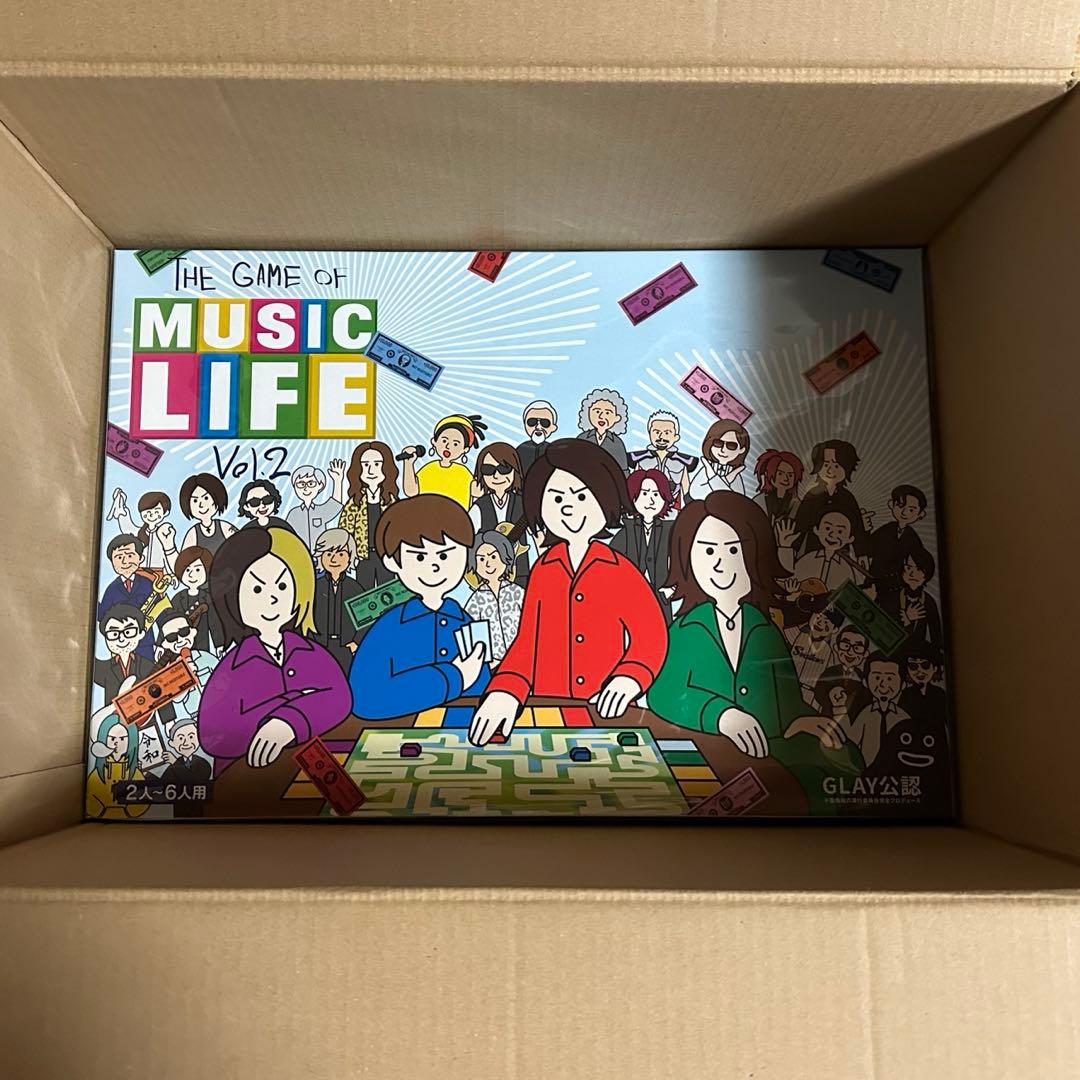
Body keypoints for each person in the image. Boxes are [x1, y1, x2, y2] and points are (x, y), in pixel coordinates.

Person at [647, 491, 863, 814]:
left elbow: (786, 697)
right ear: (686, 559)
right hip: (705, 751)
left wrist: (800, 720)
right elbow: (663, 692)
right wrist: (721, 715)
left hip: (768, 749)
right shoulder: (685, 630)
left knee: (844, 761)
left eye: (734, 549)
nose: (721, 563)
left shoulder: (765, 629)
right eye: (708, 550)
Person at [469, 439, 667, 746]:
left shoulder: (620, 570)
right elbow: (527, 644)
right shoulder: (543, 570)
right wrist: (505, 690)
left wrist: (630, 677)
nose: (568, 507)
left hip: (604, 709)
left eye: (581, 496)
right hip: (547, 707)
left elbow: (651, 636)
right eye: (557, 498)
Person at [199, 527, 352, 773]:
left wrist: (290, 721)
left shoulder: (310, 652)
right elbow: (213, 734)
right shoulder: (233, 666)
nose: (272, 598)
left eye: (282, 586)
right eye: (257, 589)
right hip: (246, 778)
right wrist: (290, 702)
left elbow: (341, 698)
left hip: (307, 769)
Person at [349, 495, 490, 725]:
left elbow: (482, 689)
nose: (434, 566)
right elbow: (364, 696)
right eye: (420, 556)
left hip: (461, 735)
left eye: (444, 555)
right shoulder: (390, 626)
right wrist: (454, 678)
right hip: (399, 736)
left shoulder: (466, 622)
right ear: (392, 562)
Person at [610, 468, 677, 623]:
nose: (651, 501)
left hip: (661, 599)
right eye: (645, 494)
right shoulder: (627, 531)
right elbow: (610, 563)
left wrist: (672, 589)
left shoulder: (670, 530)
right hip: (630, 599)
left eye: (656, 494)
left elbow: (682, 562)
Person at [337, 440, 399, 590]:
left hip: (386, 556)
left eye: (377, 464)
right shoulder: (355, 502)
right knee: (364, 594)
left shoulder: (391, 501)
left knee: (388, 592)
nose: (371, 470)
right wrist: (350, 556)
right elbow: (345, 531)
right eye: (365, 465)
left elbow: (399, 531)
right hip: (363, 558)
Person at [792, 440, 868, 555]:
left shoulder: (847, 497)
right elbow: (801, 525)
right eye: (826, 464)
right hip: (814, 553)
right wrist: (792, 549)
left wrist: (862, 553)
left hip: (842, 554)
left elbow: (857, 528)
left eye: (836, 465)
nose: (830, 470)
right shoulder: (812, 496)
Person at [469, 441, 529, 584]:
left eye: (504, 468)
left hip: (519, 573)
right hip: (486, 574)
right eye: (488, 470)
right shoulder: (480, 506)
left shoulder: (523, 504)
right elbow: (467, 538)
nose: (496, 475)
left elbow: (538, 537)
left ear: (515, 471)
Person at [401, 414, 487, 509]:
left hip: (456, 517)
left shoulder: (464, 473)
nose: (448, 446)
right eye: (444, 441)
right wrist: (408, 463)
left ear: (465, 449)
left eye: (455, 444)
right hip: (426, 514)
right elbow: (411, 491)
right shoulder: (429, 469)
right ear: (434, 441)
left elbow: (478, 492)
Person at [464, 531, 525, 662]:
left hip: (523, 658)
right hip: (494, 664)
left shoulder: (517, 592)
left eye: (493, 557)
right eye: (481, 559)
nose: (488, 564)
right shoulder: (476, 600)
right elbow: (473, 634)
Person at [311, 528, 364, 675]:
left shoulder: (355, 588)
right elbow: (307, 617)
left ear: (350, 557)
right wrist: (311, 642)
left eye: (341, 554)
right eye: (328, 554)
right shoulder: (315, 587)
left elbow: (365, 619)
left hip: (346, 647)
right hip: (320, 646)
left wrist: (355, 643)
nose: (334, 559)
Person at [778, 507, 868, 591]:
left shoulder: (846, 567)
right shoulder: (809, 559)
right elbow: (788, 577)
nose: (832, 535)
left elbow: (852, 592)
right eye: (827, 528)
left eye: (840, 531)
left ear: (850, 538)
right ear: (816, 530)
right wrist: (785, 547)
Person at [845, 652, 909, 769]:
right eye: (877, 677)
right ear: (866, 682)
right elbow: (852, 741)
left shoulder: (903, 717)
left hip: (896, 771)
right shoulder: (866, 713)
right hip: (868, 770)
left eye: (890, 678)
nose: (883, 684)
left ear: (903, 684)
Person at [97, 534, 156, 658]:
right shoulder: (112, 589)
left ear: (141, 558)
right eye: (119, 557)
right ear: (112, 562)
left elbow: (160, 612)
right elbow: (103, 615)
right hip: (121, 643)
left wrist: (163, 641)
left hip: (145, 642)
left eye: (130, 556)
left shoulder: (147, 584)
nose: (125, 562)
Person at [865, 484, 929, 597]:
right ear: (891, 505)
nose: (904, 512)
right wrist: (865, 530)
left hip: (896, 589)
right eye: (900, 506)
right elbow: (868, 548)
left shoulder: (913, 539)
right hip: (873, 581)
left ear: (920, 514)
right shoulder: (886, 529)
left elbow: (918, 564)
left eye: (911, 510)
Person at [152, 607, 216, 718]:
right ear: (165, 644)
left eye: (184, 632)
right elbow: (177, 699)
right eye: (171, 637)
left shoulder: (204, 657)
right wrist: (186, 677)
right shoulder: (172, 671)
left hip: (219, 703)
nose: (180, 640)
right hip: (197, 715)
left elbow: (224, 673)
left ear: (193, 632)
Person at [85, 710, 150, 819]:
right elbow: (90, 796)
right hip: (99, 821)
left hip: (131, 822)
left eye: (122, 739)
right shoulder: (99, 773)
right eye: (112, 738)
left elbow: (143, 798)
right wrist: (101, 812)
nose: (116, 743)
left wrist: (128, 813)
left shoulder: (134, 773)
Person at [627, 410, 697, 510]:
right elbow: (634, 485)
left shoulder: (681, 461)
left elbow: (686, 490)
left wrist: (692, 509)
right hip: (645, 507)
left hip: (672, 507)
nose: (661, 437)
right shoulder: (641, 459)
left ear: (676, 437)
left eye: (667, 433)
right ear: (650, 434)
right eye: (657, 432)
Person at [93, 603, 159, 702]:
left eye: (128, 632)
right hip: (115, 712)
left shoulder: (147, 666)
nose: (121, 639)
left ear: (141, 634)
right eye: (114, 634)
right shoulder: (105, 668)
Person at [881, 547, 943, 650]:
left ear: (926, 573)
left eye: (918, 569)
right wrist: (907, 619)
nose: (912, 574)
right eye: (908, 568)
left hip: (918, 654)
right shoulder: (893, 597)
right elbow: (883, 633)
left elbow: (937, 639)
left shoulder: (928, 601)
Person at [107, 488, 178, 574]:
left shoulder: (164, 534)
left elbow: (167, 555)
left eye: (156, 512)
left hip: (159, 571)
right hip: (140, 571)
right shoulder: (139, 532)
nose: (151, 515)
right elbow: (127, 527)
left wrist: (171, 574)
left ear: (165, 513)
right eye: (147, 512)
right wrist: (122, 507)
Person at [171, 546, 223, 654]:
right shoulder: (177, 598)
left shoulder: (208, 597)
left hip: (201, 645)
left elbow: (214, 622)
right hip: (179, 644)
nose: (192, 574)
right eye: (187, 570)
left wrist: (219, 644)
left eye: (198, 569)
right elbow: (168, 621)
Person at [787, 605, 842, 705]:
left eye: (826, 622)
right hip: (787, 685)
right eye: (818, 617)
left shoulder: (829, 652)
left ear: (834, 629)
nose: (820, 623)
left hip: (810, 695)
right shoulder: (797, 634)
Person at [285, 461, 346, 550]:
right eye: (301, 484)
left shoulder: (321, 511)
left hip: (319, 554)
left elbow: (335, 504)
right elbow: (288, 535)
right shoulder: (293, 514)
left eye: (311, 483)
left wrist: (337, 481)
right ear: (295, 487)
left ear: (320, 486)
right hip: (300, 553)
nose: (306, 488)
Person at [159, 719, 213, 819]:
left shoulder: (203, 763)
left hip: (201, 814)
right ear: (171, 743)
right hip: (177, 815)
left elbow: (195, 780)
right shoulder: (173, 766)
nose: (186, 743)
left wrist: (175, 763)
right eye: (180, 738)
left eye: (191, 737)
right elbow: (161, 784)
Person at [815, 627, 873, 720]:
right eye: (846, 646)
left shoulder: (864, 679)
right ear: (836, 648)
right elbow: (819, 692)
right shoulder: (830, 672)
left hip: (851, 722)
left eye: (857, 648)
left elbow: (866, 702)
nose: (850, 652)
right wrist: (830, 696)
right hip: (827, 718)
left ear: (865, 653)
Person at [688, 419, 750, 499]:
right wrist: (726, 480)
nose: (723, 450)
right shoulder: (706, 470)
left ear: (741, 450)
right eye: (718, 443)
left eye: (731, 445)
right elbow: (695, 493)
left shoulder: (735, 475)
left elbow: (737, 500)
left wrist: (713, 477)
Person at [179, 472, 236, 555]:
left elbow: (241, 544)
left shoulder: (224, 527)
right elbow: (184, 559)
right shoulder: (193, 534)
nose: (201, 505)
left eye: (206, 498)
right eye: (195, 500)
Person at [576, 388, 629, 472]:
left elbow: (623, 470)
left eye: (607, 413)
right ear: (588, 413)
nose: (601, 416)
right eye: (597, 411)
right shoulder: (582, 438)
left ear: (617, 417)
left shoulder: (617, 443)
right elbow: (573, 463)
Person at [898, 643, 948, 729]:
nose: (919, 670)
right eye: (913, 666)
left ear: (935, 668)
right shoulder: (906, 695)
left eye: (925, 665)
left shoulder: (939, 693)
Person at [752, 449, 803, 526]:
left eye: (790, 475)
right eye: (780, 474)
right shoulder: (760, 500)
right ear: (768, 473)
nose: (785, 479)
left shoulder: (796, 504)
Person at [515, 399, 558, 477]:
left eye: (545, 423)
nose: (538, 427)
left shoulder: (553, 451)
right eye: (532, 422)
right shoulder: (520, 450)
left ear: (553, 427)